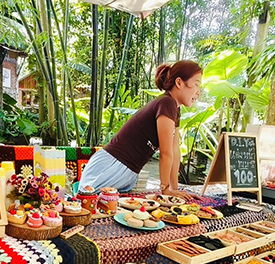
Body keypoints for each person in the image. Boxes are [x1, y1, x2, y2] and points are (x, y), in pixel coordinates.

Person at [80, 60, 201, 198]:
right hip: (110, 167)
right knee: (86, 202)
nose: (198, 92)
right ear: (179, 82)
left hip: (125, 172)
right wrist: (166, 189)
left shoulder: (175, 109)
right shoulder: (167, 103)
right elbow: (165, 153)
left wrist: (174, 189)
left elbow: (174, 150)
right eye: (196, 84)